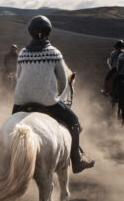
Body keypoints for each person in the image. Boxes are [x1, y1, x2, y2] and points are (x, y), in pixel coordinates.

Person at [13, 15, 95, 173]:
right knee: (74, 121)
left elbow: (19, 78)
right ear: (48, 32)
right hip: (48, 102)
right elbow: (64, 82)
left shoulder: (22, 53)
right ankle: (77, 161)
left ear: (30, 32)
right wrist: (58, 98)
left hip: (21, 101)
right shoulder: (54, 53)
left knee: (11, 129)